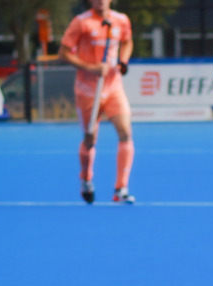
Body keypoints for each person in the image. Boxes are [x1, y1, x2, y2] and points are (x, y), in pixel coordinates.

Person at [59, 0, 136, 204]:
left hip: (113, 88)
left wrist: (123, 61)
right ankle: (86, 178)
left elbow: (127, 42)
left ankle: (121, 188)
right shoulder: (81, 22)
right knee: (90, 139)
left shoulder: (121, 20)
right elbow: (63, 53)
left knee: (125, 133)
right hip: (87, 90)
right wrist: (90, 67)